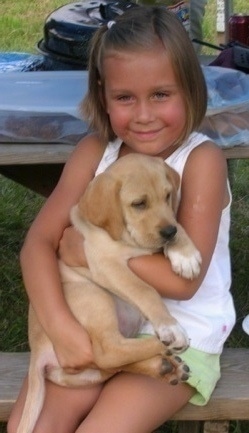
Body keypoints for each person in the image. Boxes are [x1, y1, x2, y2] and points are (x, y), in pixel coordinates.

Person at [8, 6, 236, 433]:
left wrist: (90, 249)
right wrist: (62, 329)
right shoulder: (95, 154)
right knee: (37, 426)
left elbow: (183, 283)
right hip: (95, 323)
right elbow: (36, 246)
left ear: (190, 89)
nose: (144, 114)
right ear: (102, 93)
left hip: (184, 334)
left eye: (161, 94)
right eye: (125, 97)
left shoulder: (200, 161)